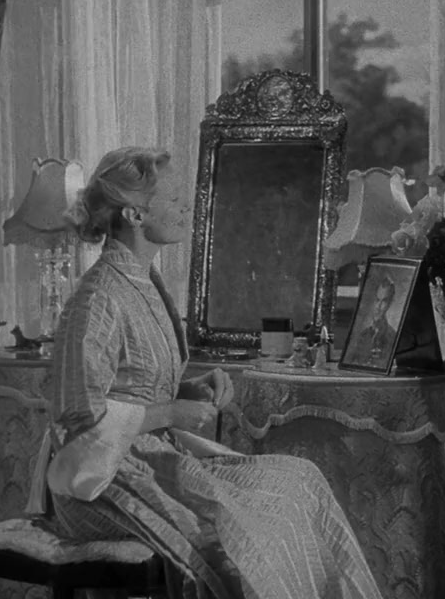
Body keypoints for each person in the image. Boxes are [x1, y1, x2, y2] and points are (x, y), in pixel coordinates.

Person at [40, 146, 382, 599]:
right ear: (135, 215)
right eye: (174, 199)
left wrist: (188, 389)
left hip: (150, 458)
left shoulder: (143, 282)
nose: (188, 207)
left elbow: (130, 384)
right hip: (101, 480)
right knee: (237, 534)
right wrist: (170, 414)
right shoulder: (98, 297)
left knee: (300, 480)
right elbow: (79, 414)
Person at [347, 274, 398, 368]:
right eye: (377, 300)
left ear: (390, 303)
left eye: (384, 301)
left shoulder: (393, 337)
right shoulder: (363, 335)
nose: (379, 306)